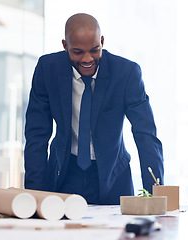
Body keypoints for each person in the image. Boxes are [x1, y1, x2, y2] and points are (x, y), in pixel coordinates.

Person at [24, 13, 164, 205]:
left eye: (94, 50)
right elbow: (36, 135)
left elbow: (146, 134)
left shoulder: (126, 73)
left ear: (102, 42)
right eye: (78, 52)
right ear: (65, 46)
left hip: (113, 178)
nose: (87, 59)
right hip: (63, 174)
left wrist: (155, 196)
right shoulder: (48, 69)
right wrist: (32, 197)